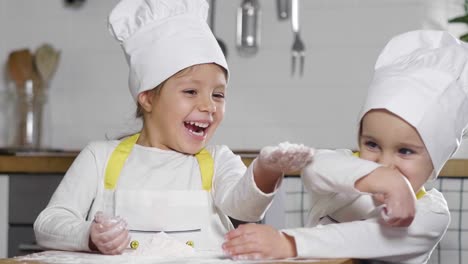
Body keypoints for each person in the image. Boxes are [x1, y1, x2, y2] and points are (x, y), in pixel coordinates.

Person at [33, 0, 313, 256]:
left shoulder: (217, 162)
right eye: (191, 91)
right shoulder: (99, 158)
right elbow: (49, 222)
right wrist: (89, 236)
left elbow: (246, 206)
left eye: (218, 94)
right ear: (148, 97)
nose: (209, 106)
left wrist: (266, 170)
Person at [223, 30, 468, 263]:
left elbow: (367, 238)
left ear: (436, 157)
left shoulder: (430, 214)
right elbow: (314, 167)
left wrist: (288, 243)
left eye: (405, 151)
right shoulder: (345, 170)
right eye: (372, 144)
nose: (384, 163)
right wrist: (381, 178)